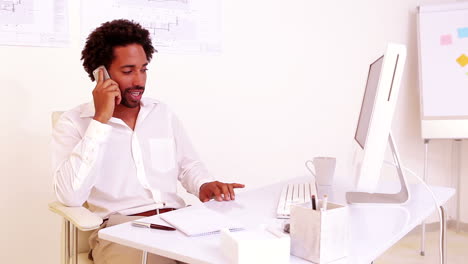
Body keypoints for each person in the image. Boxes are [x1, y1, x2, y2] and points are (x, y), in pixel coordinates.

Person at [52, 19, 244, 264]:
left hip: (180, 221)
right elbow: (70, 197)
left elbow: (188, 166)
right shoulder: (74, 123)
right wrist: (100, 120)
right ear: (101, 74)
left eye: (143, 69)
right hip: (123, 231)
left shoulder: (161, 113)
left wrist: (204, 184)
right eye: (128, 71)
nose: (139, 81)